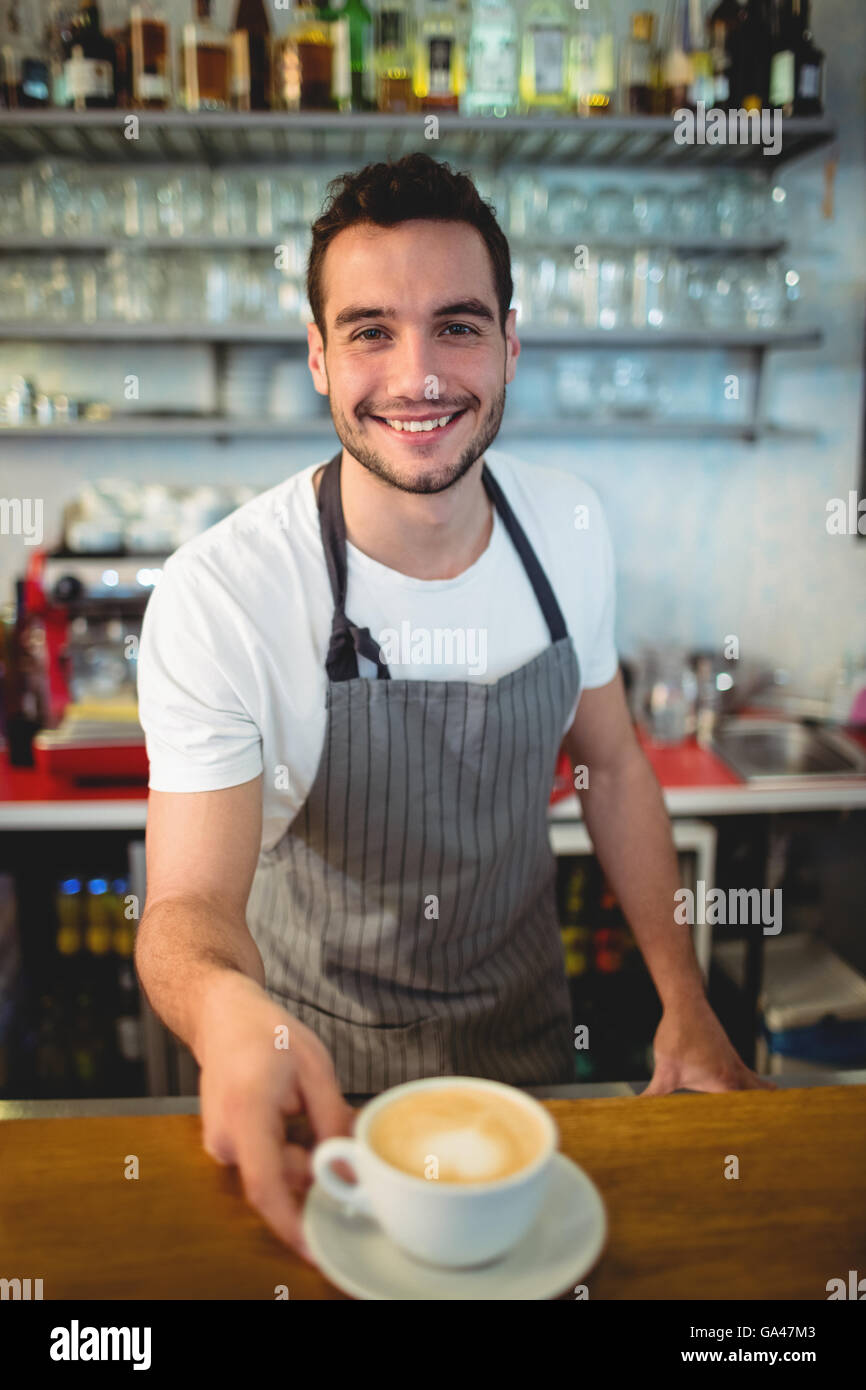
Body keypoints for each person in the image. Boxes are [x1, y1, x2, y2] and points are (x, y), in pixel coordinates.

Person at [135, 153, 773, 1263]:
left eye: (458, 326)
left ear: (510, 344)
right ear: (318, 357)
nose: (419, 374)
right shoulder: (224, 590)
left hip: (528, 1061)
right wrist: (229, 1013)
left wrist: (684, 997)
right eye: (371, 330)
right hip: (317, 1081)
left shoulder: (566, 529)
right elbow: (188, 901)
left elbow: (611, 767)